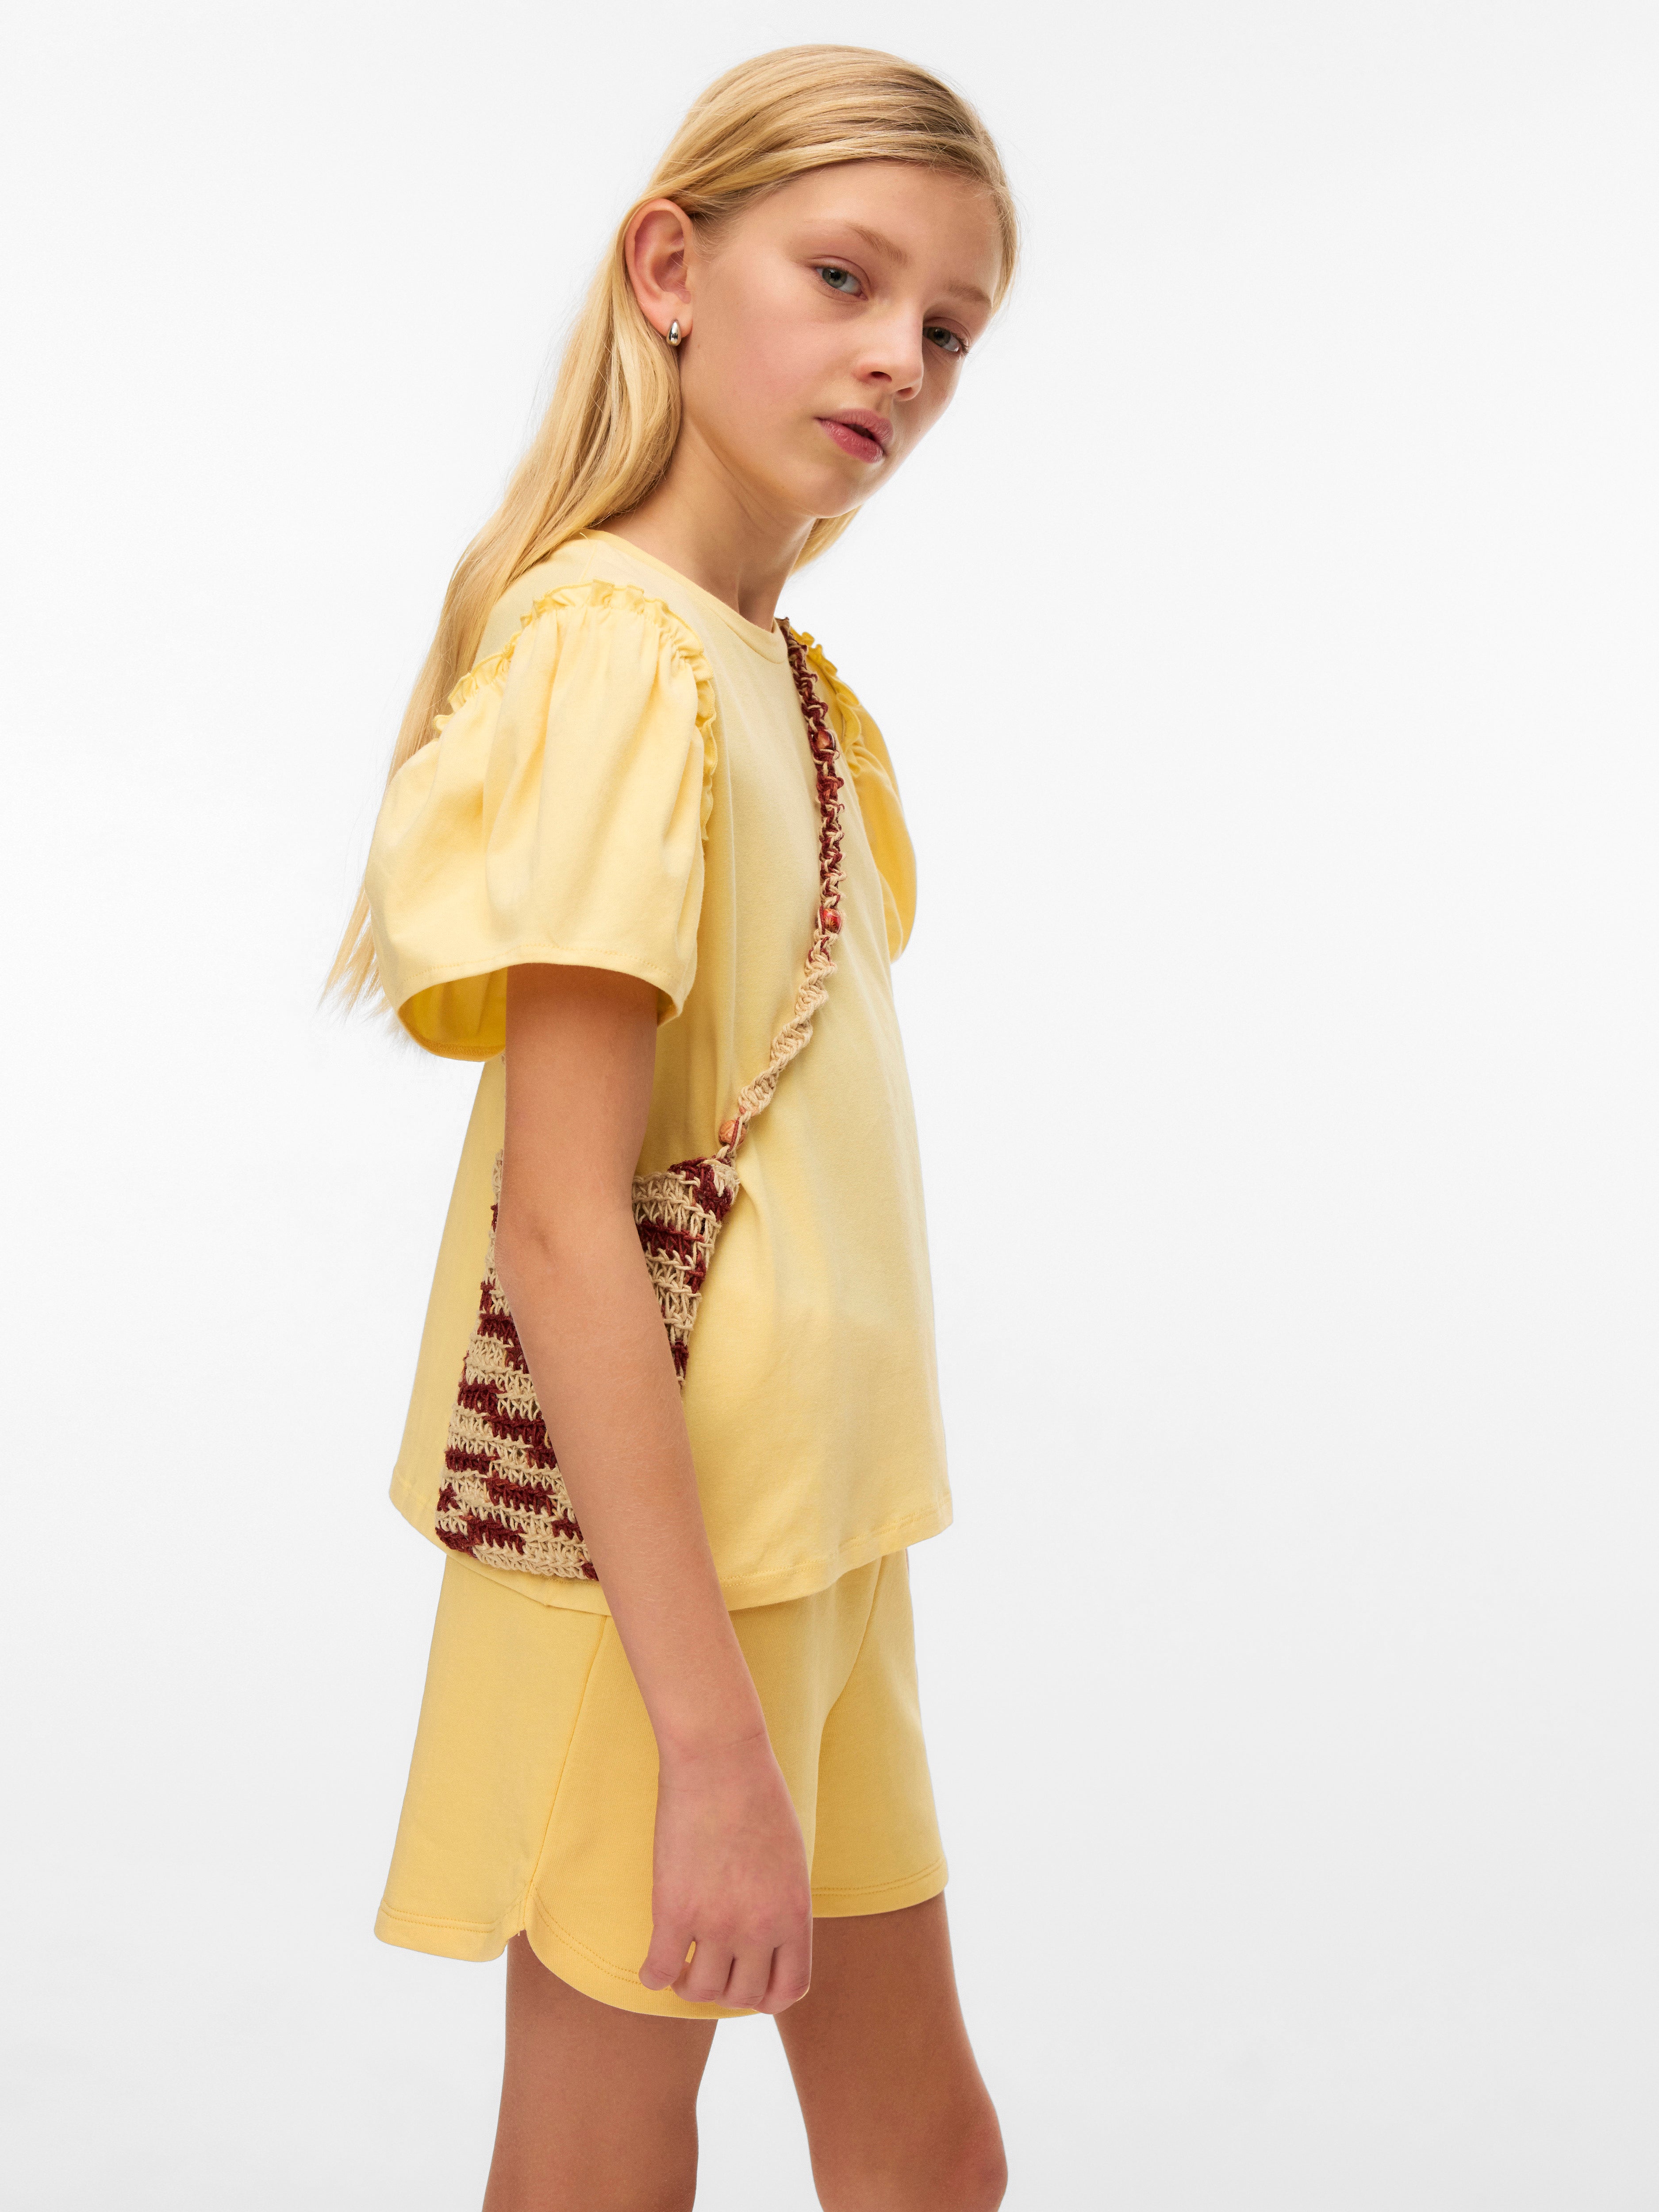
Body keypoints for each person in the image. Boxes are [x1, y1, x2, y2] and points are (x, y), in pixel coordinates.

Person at [330, 45, 1017, 2212]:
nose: (898, 358)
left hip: (820, 1540)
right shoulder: (615, 656)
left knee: (928, 2157)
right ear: (669, 270)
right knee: (602, 2162)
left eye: (949, 327)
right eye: (845, 277)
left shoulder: (771, 675)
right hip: (662, 1587)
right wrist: (706, 1731)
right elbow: (559, 1226)